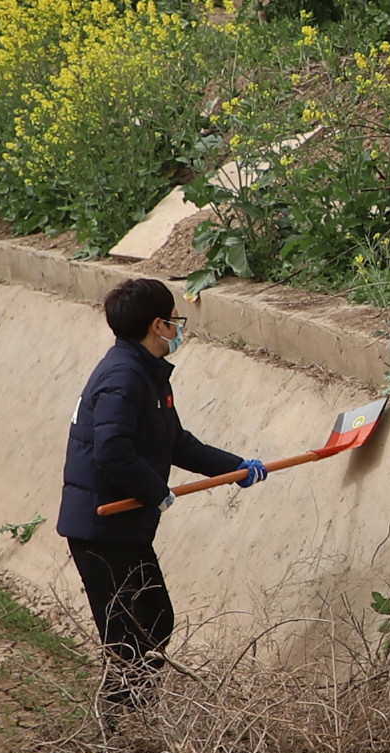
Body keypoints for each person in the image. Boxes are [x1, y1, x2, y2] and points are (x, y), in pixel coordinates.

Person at [56, 276, 264, 727]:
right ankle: (120, 730)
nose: (178, 328)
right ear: (157, 326)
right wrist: (156, 492)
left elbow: (176, 442)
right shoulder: (123, 378)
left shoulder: (147, 374)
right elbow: (112, 450)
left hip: (125, 527)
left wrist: (236, 468)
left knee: (154, 619)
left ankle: (137, 718)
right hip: (100, 528)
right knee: (128, 638)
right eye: (174, 320)